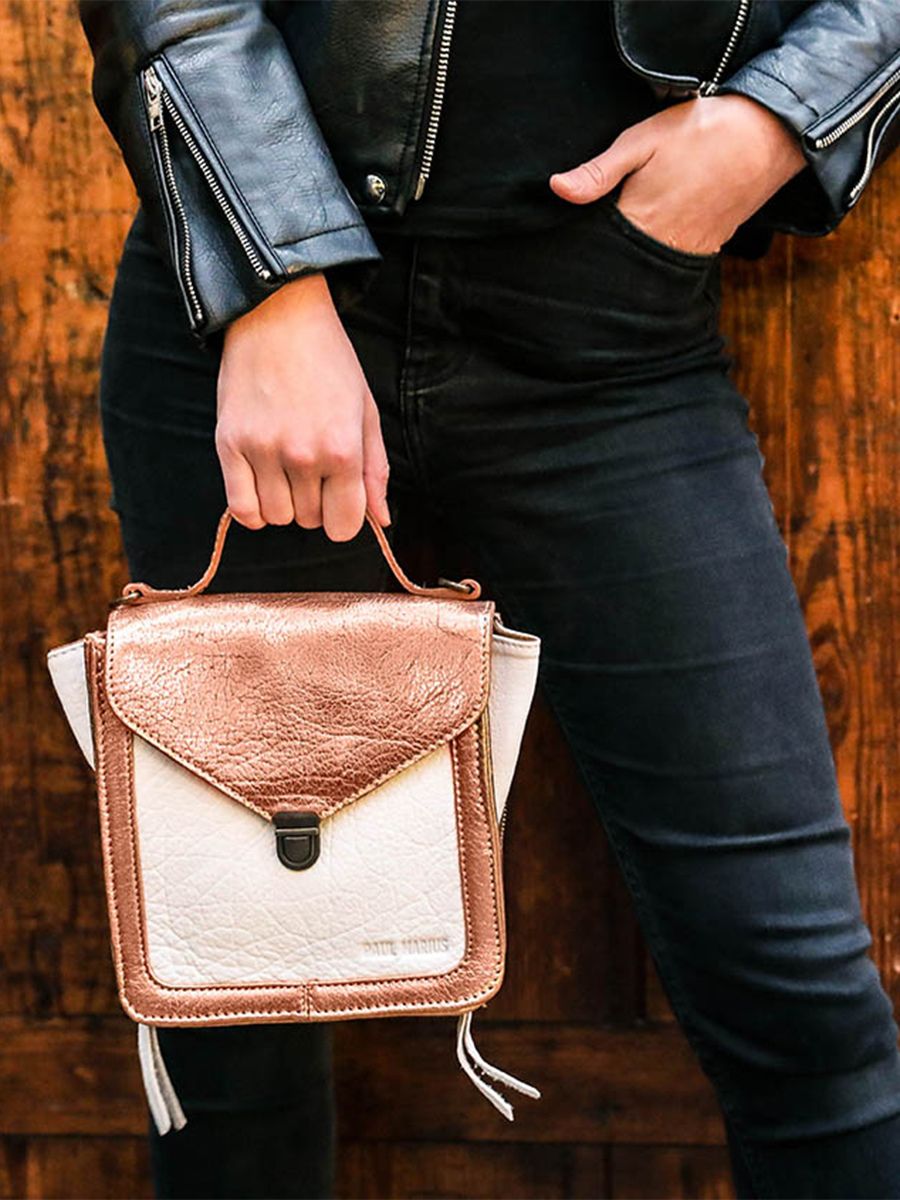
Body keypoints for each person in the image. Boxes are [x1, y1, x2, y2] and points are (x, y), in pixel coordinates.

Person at [77, 1, 900, 1197]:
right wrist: (270, 282)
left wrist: (785, 119)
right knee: (229, 993)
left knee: (799, 996)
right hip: (262, 337)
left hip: (611, 336)